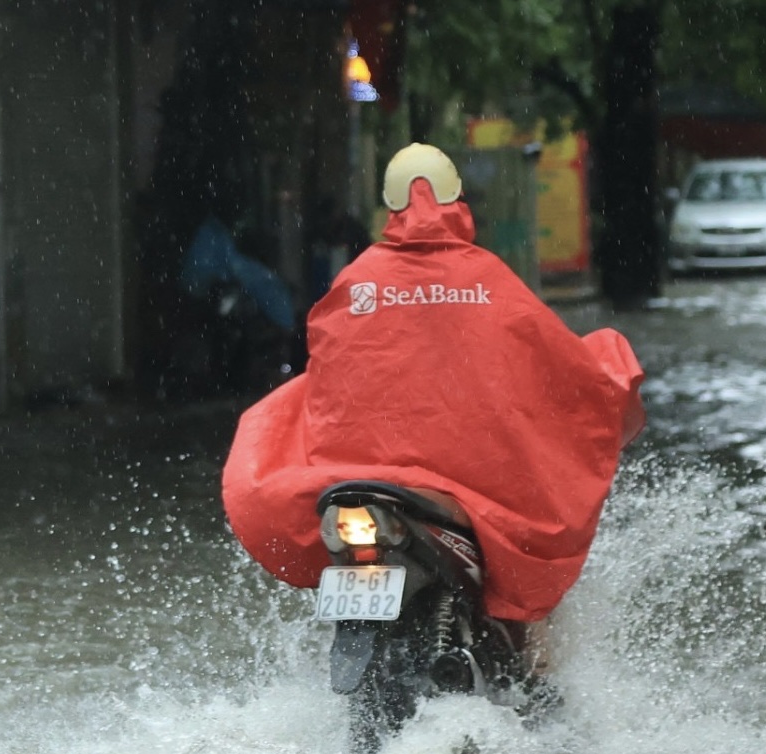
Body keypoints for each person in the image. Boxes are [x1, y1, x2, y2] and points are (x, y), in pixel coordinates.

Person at [221, 143, 644, 625]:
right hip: (465, 491)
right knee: (530, 621)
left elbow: (329, 376)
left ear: (390, 204)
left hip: (362, 480)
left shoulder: (357, 280)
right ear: (456, 200)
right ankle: (534, 665)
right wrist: (602, 368)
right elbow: (551, 362)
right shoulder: (490, 279)